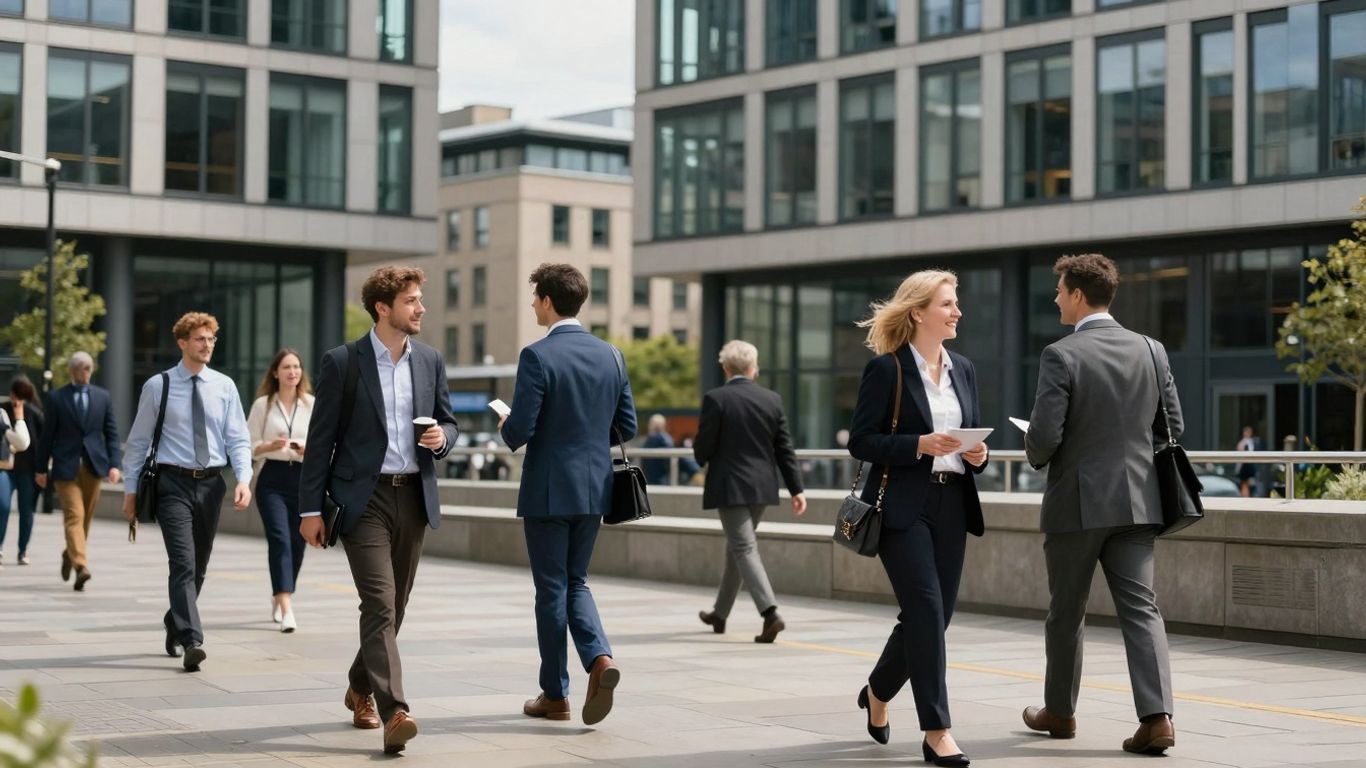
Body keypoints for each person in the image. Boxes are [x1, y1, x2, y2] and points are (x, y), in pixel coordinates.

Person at [1022, 253, 1182, 756]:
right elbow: (1173, 427)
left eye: (1059, 291)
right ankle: (1157, 718)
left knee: (1066, 612)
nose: (1055, 299)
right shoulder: (1152, 350)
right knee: (1142, 609)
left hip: (1077, 504)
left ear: (1076, 294)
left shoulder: (1060, 354)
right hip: (1139, 501)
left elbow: (1044, 439)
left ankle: (1060, 713)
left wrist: (1036, 448)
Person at [299, 266, 459, 756]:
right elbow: (320, 440)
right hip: (362, 500)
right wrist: (309, 509)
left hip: (413, 496)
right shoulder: (343, 362)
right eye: (411, 301)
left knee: (396, 606)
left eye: (420, 299)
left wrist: (442, 439)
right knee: (380, 603)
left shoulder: (429, 359)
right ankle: (396, 713)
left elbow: (449, 421)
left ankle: (358, 686)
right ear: (383, 308)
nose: (421, 308)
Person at [847, 270, 988, 768]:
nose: (957, 312)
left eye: (955, 303)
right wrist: (919, 445)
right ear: (918, 313)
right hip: (903, 507)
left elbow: (971, 437)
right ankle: (937, 730)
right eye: (947, 304)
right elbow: (861, 441)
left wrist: (979, 455)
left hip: (953, 503)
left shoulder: (964, 369)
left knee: (933, 617)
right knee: (926, 611)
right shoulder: (886, 370)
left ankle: (877, 690)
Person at [499, 263, 636, 726]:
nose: (532, 305)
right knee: (576, 581)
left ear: (548, 301)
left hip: (548, 489)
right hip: (595, 488)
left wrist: (507, 423)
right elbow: (628, 425)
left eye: (535, 297)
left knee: (551, 589)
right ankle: (599, 658)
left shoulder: (536, 356)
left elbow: (520, 430)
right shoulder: (612, 355)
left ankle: (555, 694)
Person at [122, 313, 253, 672]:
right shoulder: (158, 386)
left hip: (211, 484)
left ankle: (174, 621)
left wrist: (243, 479)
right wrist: (130, 491)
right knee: (182, 562)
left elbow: (238, 439)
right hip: (172, 483)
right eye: (200, 339)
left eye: (211, 339)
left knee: (199, 566)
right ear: (182, 342)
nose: (207, 345)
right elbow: (138, 442)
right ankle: (192, 640)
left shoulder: (224, 386)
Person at [693, 340, 806, 643]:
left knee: (743, 548)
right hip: (762, 486)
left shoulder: (716, 399)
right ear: (753, 368)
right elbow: (784, 449)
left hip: (730, 487)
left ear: (726, 368)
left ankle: (770, 613)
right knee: (738, 548)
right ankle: (720, 613)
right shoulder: (772, 400)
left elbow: (703, 449)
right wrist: (797, 489)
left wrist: (702, 455)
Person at [34, 352, 122, 589]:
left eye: (89, 368)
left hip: (94, 467)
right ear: (72, 371)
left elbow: (112, 434)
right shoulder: (56, 398)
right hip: (65, 468)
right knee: (75, 516)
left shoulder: (102, 397)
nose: (86, 372)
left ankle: (69, 553)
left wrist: (115, 464)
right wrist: (40, 469)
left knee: (86, 521)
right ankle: (81, 566)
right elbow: (47, 436)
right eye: (82, 368)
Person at [246, 349, 314, 633]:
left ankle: (280, 593)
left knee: (298, 542)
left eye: (296, 366)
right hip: (271, 479)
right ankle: (286, 606)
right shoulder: (263, 405)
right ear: (275, 372)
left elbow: (325, 445)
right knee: (280, 540)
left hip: (303, 479)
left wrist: (306, 449)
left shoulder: (311, 404)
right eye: (286, 367)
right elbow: (249, 445)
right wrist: (269, 446)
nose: (292, 372)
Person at [1, 376, 42, 567]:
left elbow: (38, 444)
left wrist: (41, 470)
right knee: (3, 507)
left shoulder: (35, 414)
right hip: (6, 469)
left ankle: (22, 550)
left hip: (27, 471)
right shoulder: (4, 411)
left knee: (26, 511)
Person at [0, 396, 33, 568]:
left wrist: (19, 419)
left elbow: (22, 443)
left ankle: (20, 550)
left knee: (4, 506)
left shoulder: (1, 414)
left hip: (9, 469)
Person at [641, 414, 675, 486]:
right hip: (649, 477)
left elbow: (669, 458)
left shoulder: (663, 438)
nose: (651, 426)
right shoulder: (650, 438)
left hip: (660, 478)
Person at [1235, 426, 1264, 497]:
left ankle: (1250, 497)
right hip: (1244, 466)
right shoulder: (1242, 442)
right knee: (1244, 483)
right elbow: (1239, 453)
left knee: (1251, 483)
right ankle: (1245, 498)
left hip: (1251, 465)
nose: (1247, 433)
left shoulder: (1253, 442)